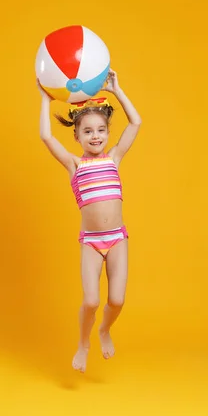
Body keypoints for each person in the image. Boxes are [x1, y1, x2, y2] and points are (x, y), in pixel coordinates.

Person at [37, 69, 141, 372]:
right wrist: (45, 98)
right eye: (88, 131)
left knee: (117, 300)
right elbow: (45, 135)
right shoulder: (74, 164)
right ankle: (83, 343)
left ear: (107, 133)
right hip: (92, 243)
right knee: (92, 301)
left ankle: (105, 329)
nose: (95, 136)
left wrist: (117, 91)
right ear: (77, 135)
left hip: (118, 238)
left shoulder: (114, 158)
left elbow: (136, 123)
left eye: (100, 130)